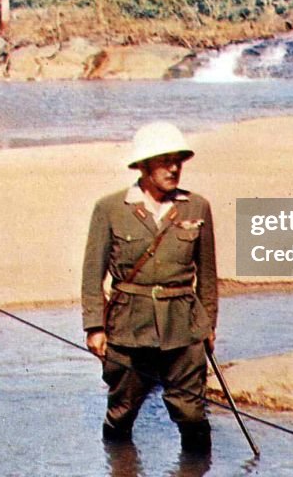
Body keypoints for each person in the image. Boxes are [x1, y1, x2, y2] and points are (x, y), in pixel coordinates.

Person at [82, 122, 218, 453]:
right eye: (164, 160)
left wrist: (208, 327)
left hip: (183, 327)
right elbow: (92, 273)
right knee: (122, 408)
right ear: (143, 166)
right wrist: (95, 327)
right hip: (129, 326)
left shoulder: (196, 207)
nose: (174, 168)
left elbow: (209, 276)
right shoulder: (111, 208)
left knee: (190, 411)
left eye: (178, 161)